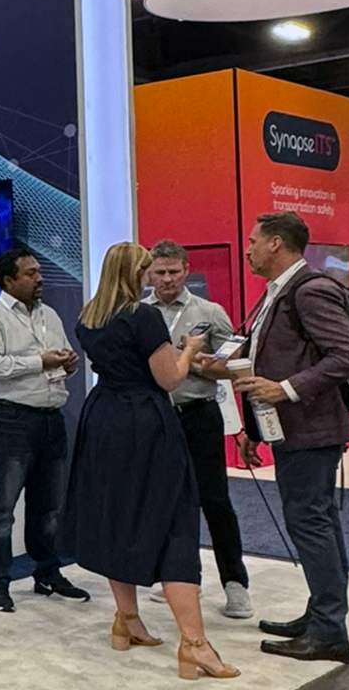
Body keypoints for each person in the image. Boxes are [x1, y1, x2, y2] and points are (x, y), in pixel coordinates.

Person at [198, 212, 349, 666]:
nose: (247, 249)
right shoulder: (278, 293)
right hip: (294, 430)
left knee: (311, 524)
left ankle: (329, 630)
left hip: (311, 429)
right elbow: (261, 358)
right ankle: (321, 615)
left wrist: (286, 389)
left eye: (253, 241)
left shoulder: (309, 291)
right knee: (317, 523)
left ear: (276, 243)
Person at [68, 241, 237, 680]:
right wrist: (190, 349)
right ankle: (195, 644)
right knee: (175, 520)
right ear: (135, 271)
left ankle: (127, 620)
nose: (153, 276)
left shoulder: (89, 316)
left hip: (103, 419)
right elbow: (169, 378)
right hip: (145, 423)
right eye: (147, 269)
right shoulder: (142, 317)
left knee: (117, 516)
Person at [0, 245, 88, 611]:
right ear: (8, 281)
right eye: (31, 273)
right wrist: (40, 362)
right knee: (2, 507)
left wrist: (67, 363)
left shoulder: (49, 314)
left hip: (50, 418)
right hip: (9, 420)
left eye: (39, 271)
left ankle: (47, 572)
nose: (40, 278)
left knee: (49, 507)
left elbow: (60, 356)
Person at [143, 241, 252, 619]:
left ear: (186, 270)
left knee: (215, 500)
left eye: (174, 272)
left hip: (199, 414)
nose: (167, 279)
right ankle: (180, 578)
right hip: (156, 417)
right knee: (166, 500)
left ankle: (235, 584)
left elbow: (233, 366)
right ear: (149, 274)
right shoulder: (140, 313)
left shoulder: (209, 312)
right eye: (160, 272)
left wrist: (197, 363)